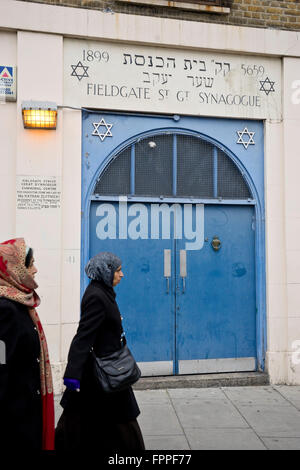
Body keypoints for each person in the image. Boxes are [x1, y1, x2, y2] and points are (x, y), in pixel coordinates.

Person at [55, 252, 145, 453]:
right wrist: (73, 374)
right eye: (118, 270)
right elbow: (83, 336)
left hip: (105, 367)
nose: (122, 275)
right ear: (106, 271)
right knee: (118, 419)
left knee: (86, 419)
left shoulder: (103, 291)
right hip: (101, 370)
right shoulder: (96, 296)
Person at [0, 238, 55, 451]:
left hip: (26, 412)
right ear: (15, 269)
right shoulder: (5, 309)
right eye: (30, 264)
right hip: (14, 420)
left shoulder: (21, 302)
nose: (35, 270)